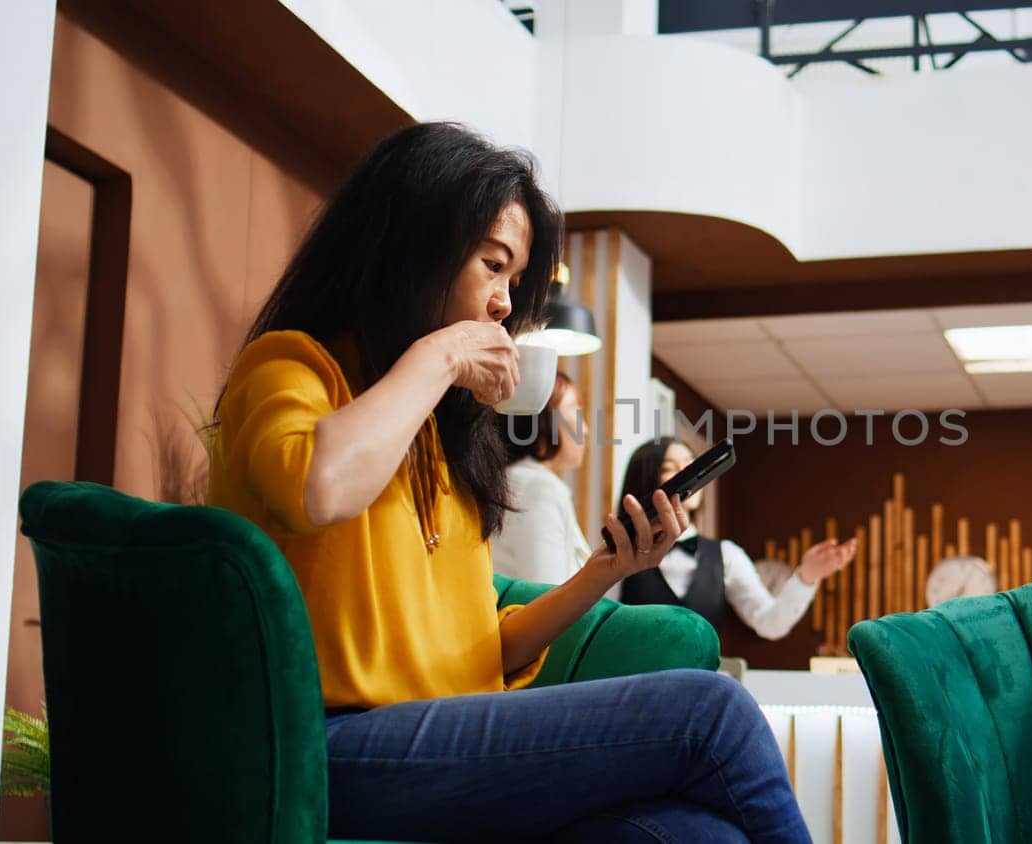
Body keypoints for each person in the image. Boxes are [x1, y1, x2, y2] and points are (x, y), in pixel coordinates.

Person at [208, 122, 808, 842]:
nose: (502, 303)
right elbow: (321, 486)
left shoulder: (435, 438)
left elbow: (482, 647)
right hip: (323, 750)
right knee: (714, 712)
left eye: (514, 281)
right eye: (493, 266)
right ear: (413, 248)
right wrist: (443, 355)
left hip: (437, 744)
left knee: (690, 834)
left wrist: (604, 571)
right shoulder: (291, 370)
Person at [615, 437, 856, 639]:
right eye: (669, 468)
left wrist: (807, 576)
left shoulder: (726, 555)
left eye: (690, 465)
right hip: (634, 687)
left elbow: (769, 623)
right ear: (645, 481)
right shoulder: (618, 555)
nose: (686, 474)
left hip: (702, 688)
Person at [492, 370, 596, 588]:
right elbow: (546, 592)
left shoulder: (513, 480)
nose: (585, 429)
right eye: (575, 412)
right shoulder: (537, 488)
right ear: (542, 421)